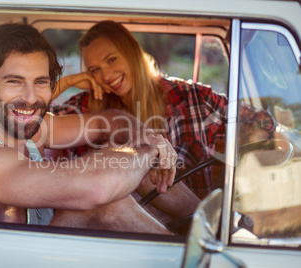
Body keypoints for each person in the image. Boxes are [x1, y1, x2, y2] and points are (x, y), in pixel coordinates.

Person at [0, 22, 195, 234]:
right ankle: (192, 258)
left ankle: (205, 221)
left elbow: (101, 122)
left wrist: (143, 135)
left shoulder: (31, 129)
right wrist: (149, 149)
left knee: (124, 149)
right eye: (14, 82)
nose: (30, 98)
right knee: (103, 201)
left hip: (49, 246)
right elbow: (97, 187)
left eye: (40, 82)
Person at [52, 20, 276, 200]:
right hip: (113, 227)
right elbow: (32, 121)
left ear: (132, 53)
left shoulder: (192, 97)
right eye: (95, 70)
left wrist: (240, 177)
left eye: (112, 60)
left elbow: (262, 121)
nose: (107, 75)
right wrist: (67, 82)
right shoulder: (87, 105)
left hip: (186, 227)